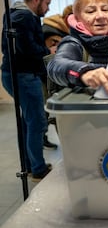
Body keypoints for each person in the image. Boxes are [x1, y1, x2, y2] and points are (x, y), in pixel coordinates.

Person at [1, 0, 54, 181]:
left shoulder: (12, 13)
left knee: (28, 121)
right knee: (38, 121)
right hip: (23, 75)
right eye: (46, 3)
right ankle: (38, 169)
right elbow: (27, 48)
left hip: (12, 73)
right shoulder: (24, 17)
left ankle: (31, 165)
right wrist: (47, 51)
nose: (47, 9)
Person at [41, 11, 70, 149]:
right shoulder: (53, 34)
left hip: (48, 75)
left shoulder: (51, 29)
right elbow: (53, 55)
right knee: (48, 112)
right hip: (48, 76)